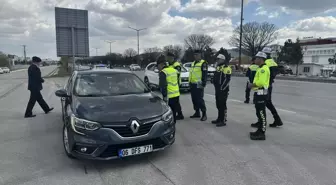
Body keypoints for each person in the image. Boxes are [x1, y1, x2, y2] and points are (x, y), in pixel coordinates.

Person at [248, 52, 270, 140]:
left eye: (256, 58)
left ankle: (262, 133)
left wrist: (252, 85)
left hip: (261, 92)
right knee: (259, 111)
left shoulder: (263, 69)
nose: (255, 60)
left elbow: (261, 82)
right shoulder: (260, 68)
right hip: (259, 92)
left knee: (261, 112)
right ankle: (259, 130)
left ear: (261, 59)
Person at [261, 47, 283, 127]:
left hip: (264, 85)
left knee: (261, 102)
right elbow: (276, 72)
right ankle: (277, 119)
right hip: (269, 85)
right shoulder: (273, 62)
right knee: (267, 102)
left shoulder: (265, 62)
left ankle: (261, 121)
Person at [157, 55, 181, 123]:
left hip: (169, 96)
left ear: (161, 64)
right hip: (176, 94)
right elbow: (178, 81)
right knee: (174, 111)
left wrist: (164, 96)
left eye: (158, 66)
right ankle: (174, 123)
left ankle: (170, 126)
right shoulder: (173, 70)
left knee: (168, 113)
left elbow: (163, 86)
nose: (157, 68)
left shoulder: (163, 72)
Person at [211, 54, 231, 127]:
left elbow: (227, 79)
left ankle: (223, 120)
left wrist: (222, 88)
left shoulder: (226, 68)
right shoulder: (218, 67)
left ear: (222, 60)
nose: (217, 60)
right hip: (217, 89)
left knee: (222, 105)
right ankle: (219, 118)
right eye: (217, 59)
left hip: (223, 90)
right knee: (218, 104)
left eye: (218, 59)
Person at [189, 49, 208, 121]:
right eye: (194, 55)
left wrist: (203, 83)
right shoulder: (193, 63)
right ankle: (197, 112)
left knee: (200, 99)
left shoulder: (203, 63)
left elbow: (205, 74)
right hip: (192, 83)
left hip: (199, 83)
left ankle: (204, 114)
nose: (195, 56)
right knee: (194, 99)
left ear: (200, 55)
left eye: (197, 55)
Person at [166, 52, 184, 120]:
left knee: (174, 101)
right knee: (176, 101)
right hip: (171, 85)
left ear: (172, 58)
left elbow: (177, 74)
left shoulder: (176, 65)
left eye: (168, 57)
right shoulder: (169, 64)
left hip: (176, 85)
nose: (167, 59)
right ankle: (180, 114)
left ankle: (177, 114)